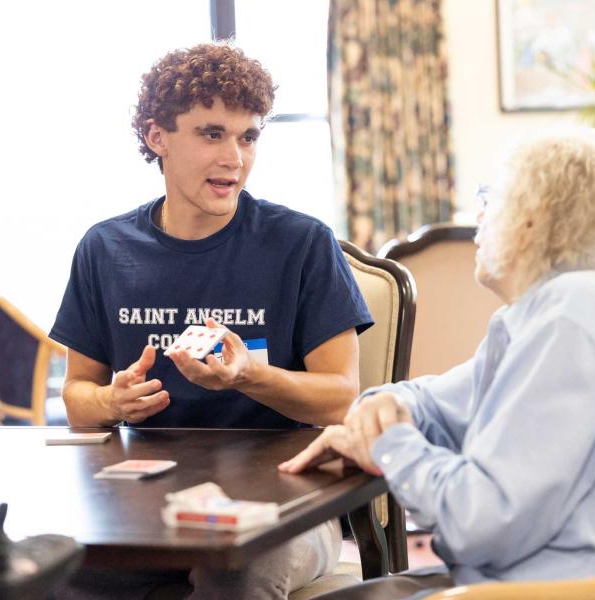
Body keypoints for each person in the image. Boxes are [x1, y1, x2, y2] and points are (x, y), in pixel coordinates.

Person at [279, 126, 595, 599]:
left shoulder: (574, 317)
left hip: (563, 588)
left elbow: (479, 522)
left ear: (532, 219)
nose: (478, 214)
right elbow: (445, 399)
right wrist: (387, 404)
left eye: (490, 197)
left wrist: (390, 443)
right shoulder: (578, 306)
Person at [49, 43, 372, 600]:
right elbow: (77, 396)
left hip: (291, 505)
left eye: (249, 136)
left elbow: (342, 399)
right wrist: (112, 403)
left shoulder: (301, 243)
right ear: (157, 138)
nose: (236, 159)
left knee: (237, 572)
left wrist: (250, 377)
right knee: (28, 570)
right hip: (146, 503)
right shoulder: (105, 249)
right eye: (212, 134)